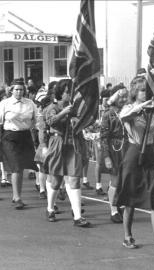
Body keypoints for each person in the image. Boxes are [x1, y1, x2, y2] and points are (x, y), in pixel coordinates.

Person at [114, 75, 154, 252]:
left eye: (147, 91)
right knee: (131, 198)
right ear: (134, 92)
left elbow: (153, 136)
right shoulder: (129, 108)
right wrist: (142, 106)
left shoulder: (152, 111)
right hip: (134, 154)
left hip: (149, 154)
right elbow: (124, 117)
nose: (145, 94)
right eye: (142, 91)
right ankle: (127, 236)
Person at [43, 79, 90, 227]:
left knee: (75, 179)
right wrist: (64, 112)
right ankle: (50, 208)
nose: (70, 94)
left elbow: (82, 123)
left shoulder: (76, 108)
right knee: (56, 180)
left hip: (73, 144)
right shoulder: (53, 107)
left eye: (72, 91)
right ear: (60, 93)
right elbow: (50, 121)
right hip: (58, 144)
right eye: (67, 92)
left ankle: (77, 216)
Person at [0, 78, 38, 209]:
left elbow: (36, 119)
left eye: (21, 89)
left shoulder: (30, 103)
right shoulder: (5, 103)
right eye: (16, 89)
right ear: (11, 90)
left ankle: (17, 195)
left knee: (21, 167)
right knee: (16, 166)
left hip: (25, 136)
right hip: (9, 137)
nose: (19, 92)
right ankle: (17, 198)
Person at [100, 84, 129, 223]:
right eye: (121, 96)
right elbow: (103, 137)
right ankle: (113, 210)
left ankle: (121, 204)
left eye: (125, 96)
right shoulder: (108, 114)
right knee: (115, 180)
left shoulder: (127, 110)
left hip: (126, 147)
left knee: (124, 180)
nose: (124, 99)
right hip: (114, 149)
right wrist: (106, 156)